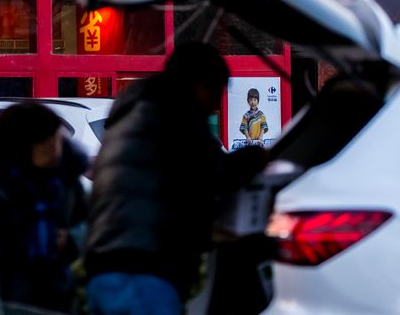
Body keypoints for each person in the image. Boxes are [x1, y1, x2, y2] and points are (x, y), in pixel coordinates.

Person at [84, 42, 266, 315]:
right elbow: (211, 176)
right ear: (197, 84)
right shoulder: (177, 114)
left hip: (104, 266)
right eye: (216, 91)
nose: (216, 104)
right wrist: (257, 157)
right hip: (145, 272)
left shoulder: (133, 108)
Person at [0, 102, 89, 313]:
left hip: (62, 292)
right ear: (22, 148)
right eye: (47, 146)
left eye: (58, 141)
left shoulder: (67, 179)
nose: (56, 151)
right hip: (7, 296)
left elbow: (90, 223)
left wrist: (71, 239)